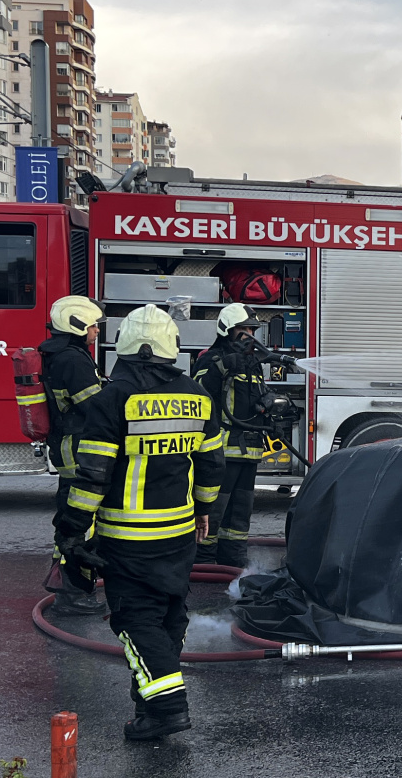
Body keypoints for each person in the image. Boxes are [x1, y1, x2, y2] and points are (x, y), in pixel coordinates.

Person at [54, 304, 224, 740]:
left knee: (135, 620)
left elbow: (93, 475)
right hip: (181, 532)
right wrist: (204, 510)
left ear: (124, 347)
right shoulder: (197, 396)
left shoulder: (112, 399)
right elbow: (211, 466)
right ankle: (148, 712)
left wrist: (72, 529)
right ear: (172, 348)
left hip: (127, 535)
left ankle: (167, 708)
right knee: (169, 616)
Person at [192, 303, 281, 569]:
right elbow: (199, 398)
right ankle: (204, 564)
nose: (249, 335)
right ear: (227, 330)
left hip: (249, 452)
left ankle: (233, 563)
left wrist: (268, 402)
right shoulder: (211, 359)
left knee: (240, 516)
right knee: (214, 513)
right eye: (243, 330)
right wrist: (223, 368)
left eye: (252, 329)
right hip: (222, 453)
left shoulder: (252, 363)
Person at [38, 296, 107, 615]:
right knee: (84, 522)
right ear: (76, 324)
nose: (95, 331)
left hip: (67, 447)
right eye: (92, 325)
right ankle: (77, 593)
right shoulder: (74, 360)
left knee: (69, 518)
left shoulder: (60, 355)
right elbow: (95, 408)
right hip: (79, 450)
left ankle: (67, 586)